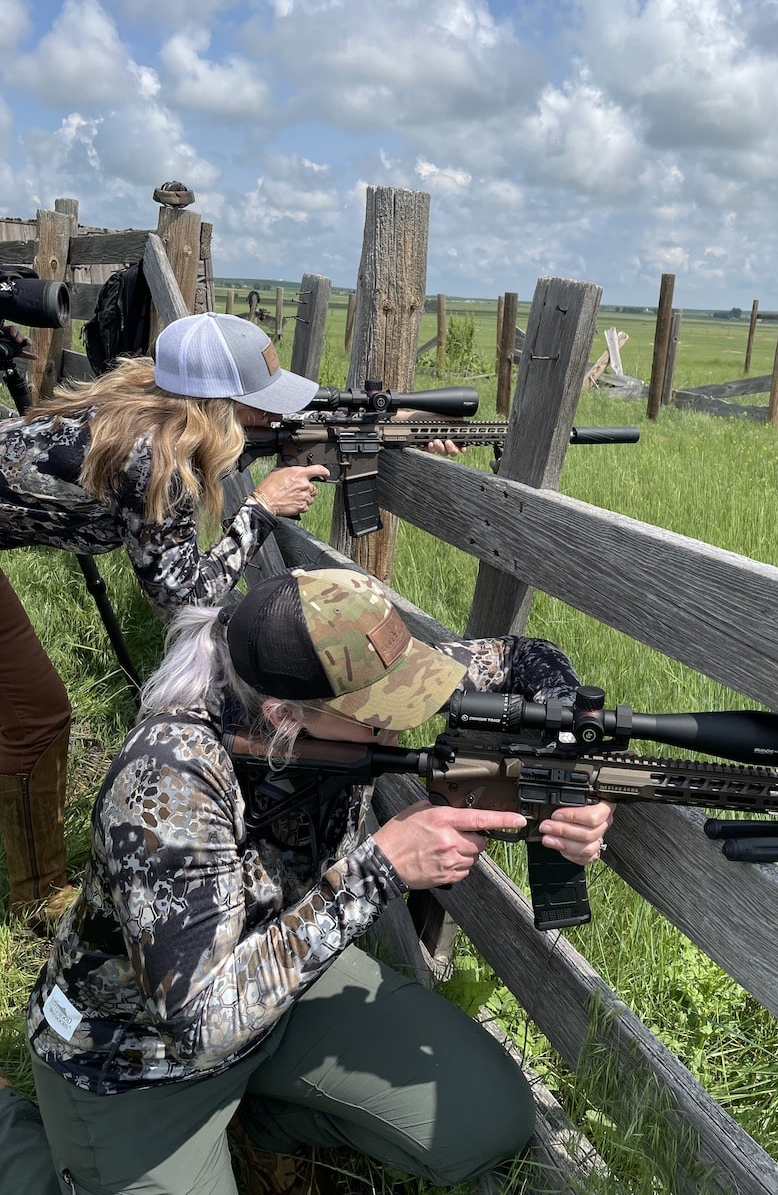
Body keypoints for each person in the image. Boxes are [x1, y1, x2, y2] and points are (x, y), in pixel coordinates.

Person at [23, 566, 615, 1194]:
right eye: (377, 718)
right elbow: (196, 1025)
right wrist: (378, 871)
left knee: (488, 1118)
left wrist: (567, 767)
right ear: (282, 714)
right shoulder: (168, 782)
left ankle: (262, 1123)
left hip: (287, 985)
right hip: (137, 1058)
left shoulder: (350, 665)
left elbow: (525, 658)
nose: (401, 725)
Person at [0, 311, 329, 929]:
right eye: (257, 404)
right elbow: (183, 605)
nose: (273, 417)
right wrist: (258, 510)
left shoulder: (152, 396)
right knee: (35, 712)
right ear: (216, 406)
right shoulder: (155, 461)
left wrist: (396, 430)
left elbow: (268, 428)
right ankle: (37, 896)